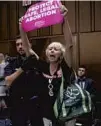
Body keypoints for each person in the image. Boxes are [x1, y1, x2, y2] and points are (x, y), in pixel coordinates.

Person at [18, 4, 76, 126]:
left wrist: (64, 19)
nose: (52, 50)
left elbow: (69, 43)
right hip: (47, 114)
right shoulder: (42, 66)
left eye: (56, 49)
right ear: (46, 53)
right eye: (50, 49)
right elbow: (28, 48)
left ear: (61, 54)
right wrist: (22, 27)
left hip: (66, 114)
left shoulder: (65, 66)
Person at [4, 36, 44, 126]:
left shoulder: (38, 62)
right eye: (17, 44)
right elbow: (7, 82)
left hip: (36, 103)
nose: (20, 46)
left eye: (23, 44)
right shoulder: (12, 63)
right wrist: (22, 69)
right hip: (18, 104)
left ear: (29, 45)